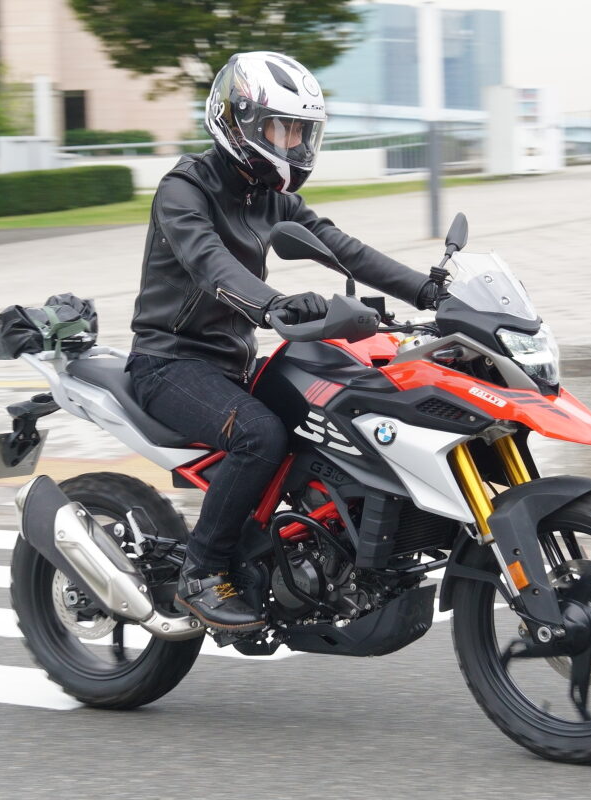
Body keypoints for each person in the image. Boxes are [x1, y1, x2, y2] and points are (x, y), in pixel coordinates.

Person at [126, 51, 445, 632]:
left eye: (301, 131)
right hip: (169, 363)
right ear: (239, 121)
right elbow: (210, 263)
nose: (294, 144)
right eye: (282, 129)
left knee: (334, 418)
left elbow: (344, 249)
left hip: (233, 363)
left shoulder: (270, 199)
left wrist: (431, 293)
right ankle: (201, 571)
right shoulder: (184, 190)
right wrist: (271, 305)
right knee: (260, 435)